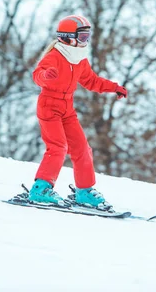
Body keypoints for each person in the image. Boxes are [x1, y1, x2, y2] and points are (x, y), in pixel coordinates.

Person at [29, 15, 128, 209]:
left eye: (87, 37)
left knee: (82, 149)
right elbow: (37, 75)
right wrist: (45, 77)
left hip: (67, 109)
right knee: (58, 147)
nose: (86, 41)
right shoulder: (55, 56)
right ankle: (40, 189)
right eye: (82, 37)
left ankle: (84, 192)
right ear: (67, 37)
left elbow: (91, 81)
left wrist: (113, 87)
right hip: (49, 106)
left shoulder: (79, 59)